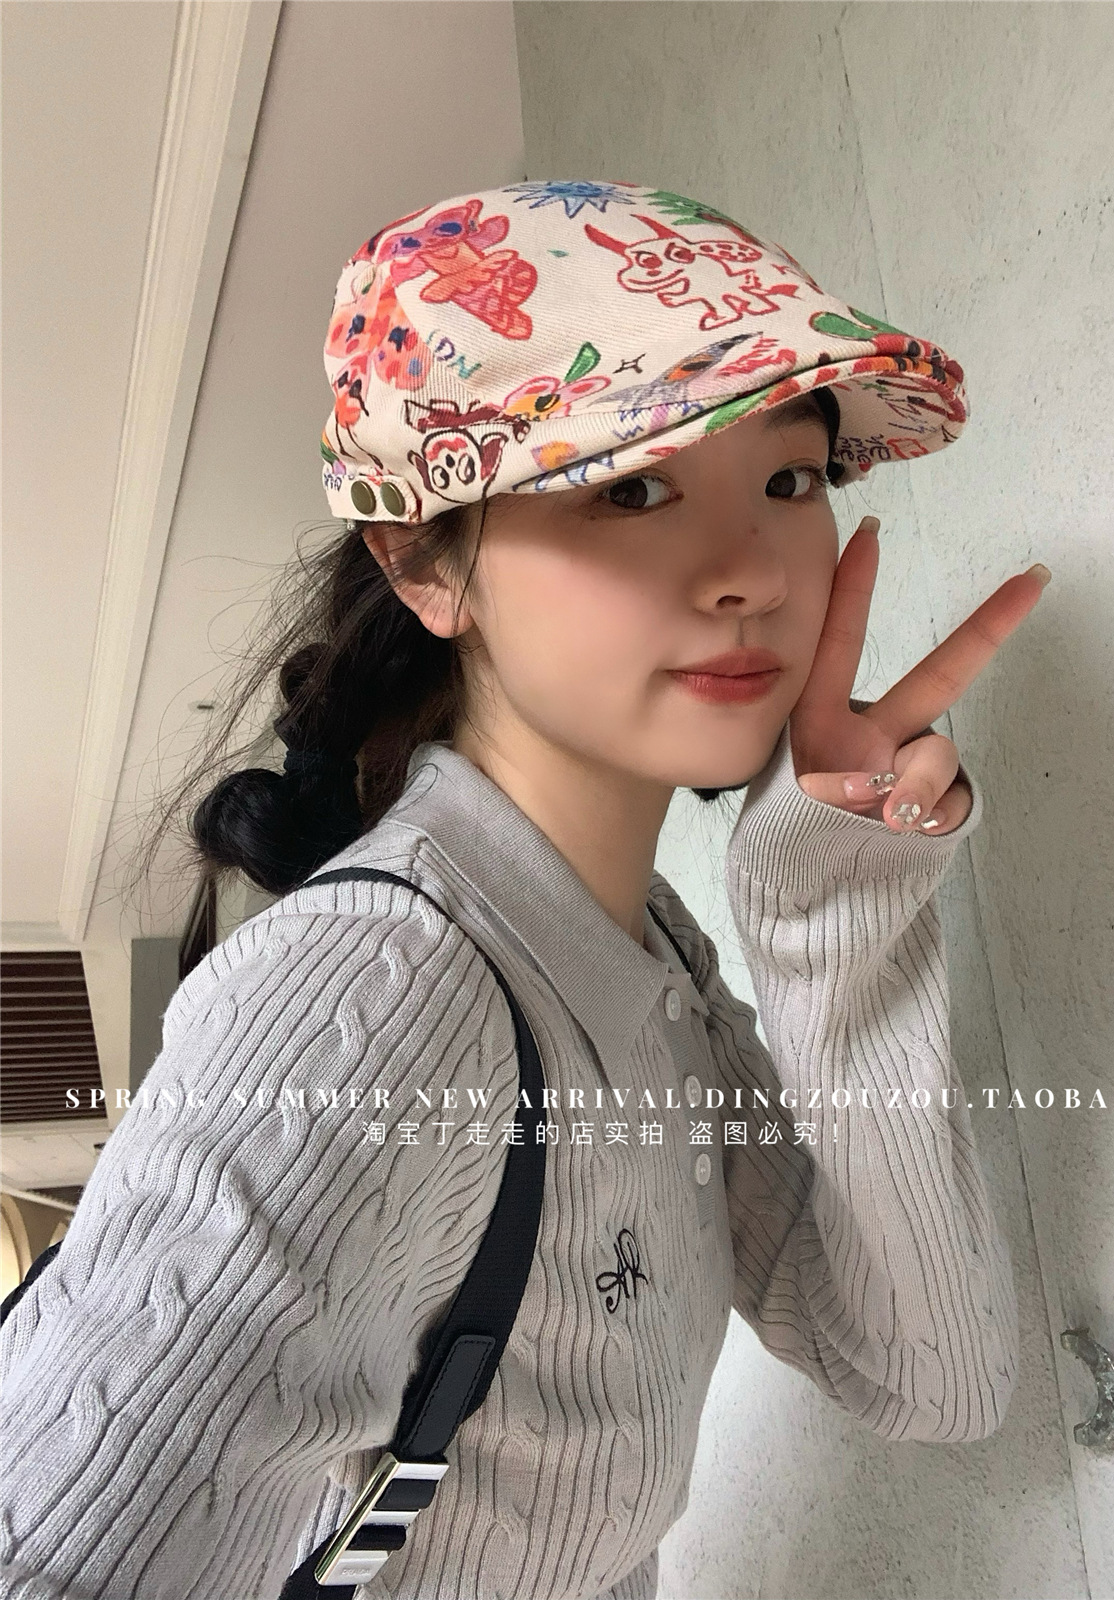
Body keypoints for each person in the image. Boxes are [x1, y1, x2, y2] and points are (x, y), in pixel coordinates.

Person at [0, 180, 1042, 1600]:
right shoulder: (372, 1000)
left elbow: (928, 1374)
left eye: (790, 481)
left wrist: (832, 914)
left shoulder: (649, 956)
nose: (749, 574)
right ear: (426, 567)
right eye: (632, 486)